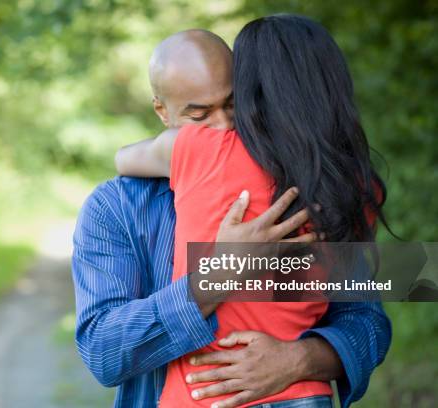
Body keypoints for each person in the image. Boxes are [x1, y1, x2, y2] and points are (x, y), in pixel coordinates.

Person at [72, 25, 391, 408]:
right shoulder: (115, 208)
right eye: (200, 115)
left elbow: (367, 321)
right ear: (162, 111)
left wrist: (299, 359)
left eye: (234, 105)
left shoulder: (305, 185)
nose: (224, 126)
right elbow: (104, 353)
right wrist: (219, 274)